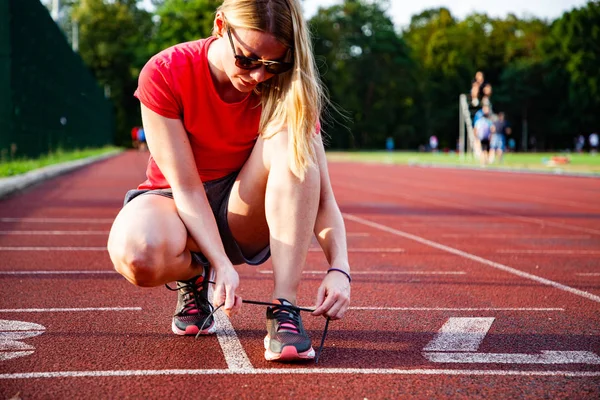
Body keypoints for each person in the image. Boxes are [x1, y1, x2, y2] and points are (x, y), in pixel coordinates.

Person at [107, 0, 351, 363]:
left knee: (291, 137)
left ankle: (285, 307)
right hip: (175, 203)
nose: (258, 77)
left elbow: (322, 198)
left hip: (242, 208)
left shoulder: (287, 88)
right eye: (248, 60)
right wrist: (218, 263)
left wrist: (339, 268)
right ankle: (195, 273)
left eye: (274, 64)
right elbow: (188, 188)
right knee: (137, 255)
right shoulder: (165, 71)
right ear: (221, 26)